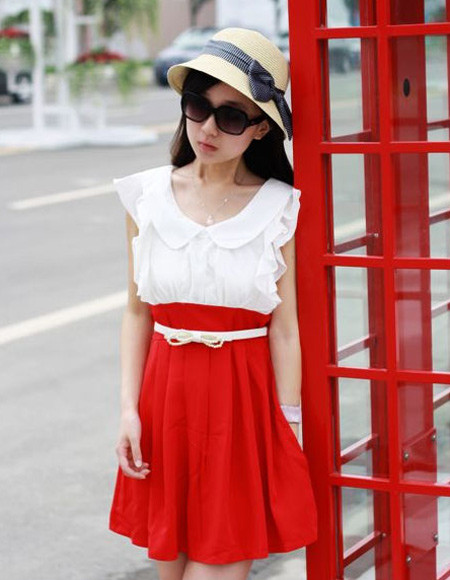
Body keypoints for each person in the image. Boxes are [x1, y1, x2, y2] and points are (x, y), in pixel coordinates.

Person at [108, 26, 318, 580]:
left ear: (260, 128)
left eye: (230, 117)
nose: (207, 128)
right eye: (198, 106)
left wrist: (288, 425)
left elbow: (285, 328)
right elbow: (137, 312)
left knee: (215, 568)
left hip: (242, 406)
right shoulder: (146, 197)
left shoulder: (279, 207)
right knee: (170, 568)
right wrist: (129, 410)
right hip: (165, 398)